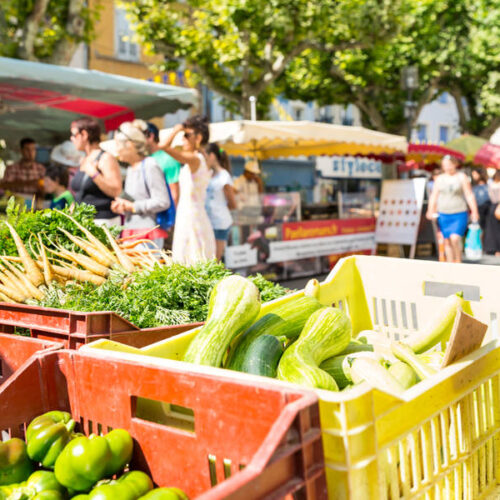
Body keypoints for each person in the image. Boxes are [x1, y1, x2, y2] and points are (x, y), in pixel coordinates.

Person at [159, 115, 216, 264]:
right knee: (195, 259)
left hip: (190, 216)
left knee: (190, 259)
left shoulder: (195, 159)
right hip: (193, 214)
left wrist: (176, 130)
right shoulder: (202, 158)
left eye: (186, 135)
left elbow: (163, 146)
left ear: (198, 137)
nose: (182, 139)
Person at [110, 120, 170, 249]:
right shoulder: (131, 169)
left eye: (117, 145)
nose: (116, 150)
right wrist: (123, 206)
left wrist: (133, 206)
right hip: (131, 231)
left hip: (147, 234)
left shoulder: (149, 165)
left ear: (130, 145)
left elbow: (163, 201)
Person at [69, 118, 122, 226]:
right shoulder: (85, 159)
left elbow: (116, 190)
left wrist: (94, 174)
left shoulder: (105, 158)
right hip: (84, 220)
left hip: (102, 221)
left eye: (74, 135)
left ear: (84, 134)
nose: (71, 139)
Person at [426, 155, 479, 263]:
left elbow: (469, 194)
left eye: (449, 164)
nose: (448, 167)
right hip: (443, 213)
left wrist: (474, 211)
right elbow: (434, 196)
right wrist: (430, 210)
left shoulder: (461, 177)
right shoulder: (440, 179)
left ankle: (458, 261)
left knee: (455, 238)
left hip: (459, 212)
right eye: (445, 165)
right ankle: (450, 265)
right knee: (447, 241)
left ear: (455, 164)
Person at [205, 143, 237, 260]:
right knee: (209, 258)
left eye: (205, 156)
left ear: (212, 156)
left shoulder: (224, 176)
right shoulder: (209, 174)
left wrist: (219, 208)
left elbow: (233, 203)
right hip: (209, 221)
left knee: (215, 260)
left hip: (220, 223)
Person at [144, 122, 181, 206]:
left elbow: (174, 193)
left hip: (165, 214)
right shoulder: (144, 159)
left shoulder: (167, 158)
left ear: (151, 136)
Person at [484, 170, 500, 256]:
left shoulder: (491, 184)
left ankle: (492, 248)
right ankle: (498, 249)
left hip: (492, 206)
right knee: (497, 229)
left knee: (492, 229)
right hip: (498, 206)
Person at [471, 167, 491, 232]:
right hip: (478, 211)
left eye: (475, 174)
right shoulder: (474, 187)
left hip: (486, 212)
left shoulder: (488, 186)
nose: (473, 176)